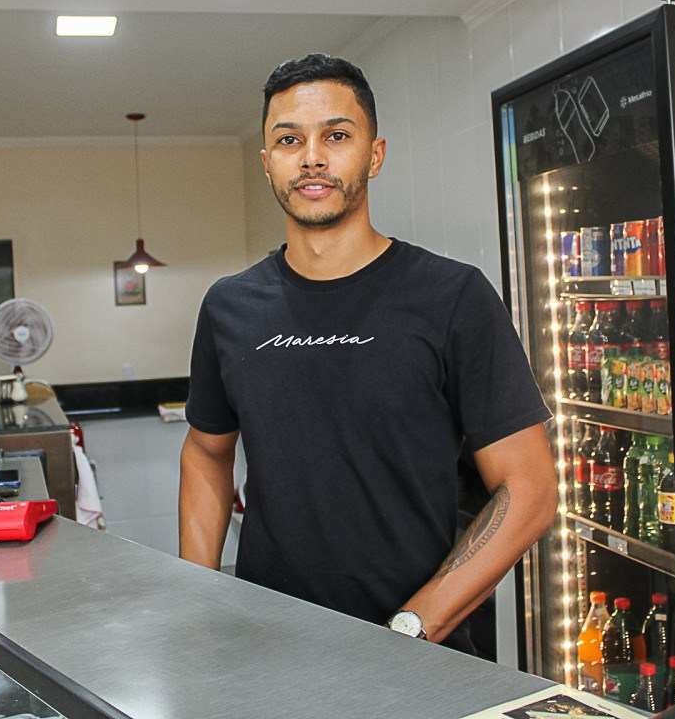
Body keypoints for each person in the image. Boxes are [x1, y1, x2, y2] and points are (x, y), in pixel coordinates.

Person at [178, 53, 556, 652]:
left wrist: (413, 626)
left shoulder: (452, 296)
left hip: (423, 652)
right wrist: (198, 597)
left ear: (374, 154)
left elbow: (529, 489)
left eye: (336, 135)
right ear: (267, 163)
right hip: (271, 646)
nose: (311, 157)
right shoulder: (229, 307)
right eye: (288, 139)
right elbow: (205, 451)